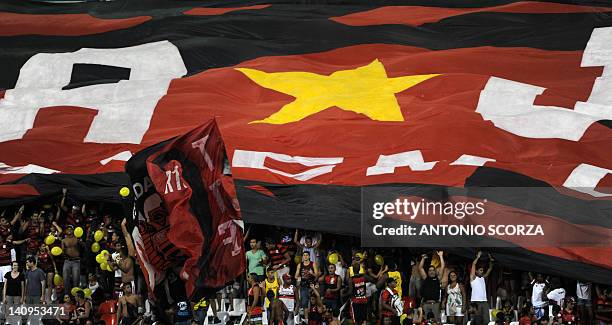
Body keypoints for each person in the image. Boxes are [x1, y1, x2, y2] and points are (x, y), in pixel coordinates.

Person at [419, 251, 446, 323]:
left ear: (435, 271)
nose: (431, 271)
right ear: (428, 272)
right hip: (426, 304)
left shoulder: (438, 278)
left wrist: (440, 256)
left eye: (433, 270)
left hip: (435, 304)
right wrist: (423, 259)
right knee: (426, 321)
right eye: (430, 270)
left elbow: (442, 267)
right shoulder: (425, 278)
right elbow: (420, 268)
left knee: (437, 321)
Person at [295, 250, 319, 323]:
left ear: (309, 256)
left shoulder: (313, 264)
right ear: (302, 256)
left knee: (315, 302)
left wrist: (312, 273)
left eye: (306, 255)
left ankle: (315, 319)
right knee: (305, 303)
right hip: (303, 285)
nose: (305, 256)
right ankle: (306, 320)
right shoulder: (300, 265)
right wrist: (298, 277)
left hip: (312, 285)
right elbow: (296, 276)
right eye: (304, 255)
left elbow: (317, 276)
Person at [470, 251, 494, 324]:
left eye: (482, 270)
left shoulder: (483, 278)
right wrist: (478, 257)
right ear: (476, 271)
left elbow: (490, 269)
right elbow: (473, 264)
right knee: (477, 321)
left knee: (486, 321)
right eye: (480, 270)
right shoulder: (473, 278)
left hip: (484, 302)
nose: (482, 271)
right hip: (476, 302)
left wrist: (490, 259)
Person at [61, 225, 81, 294]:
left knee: (76, 280)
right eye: (67, 229)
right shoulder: (63, 240)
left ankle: (76, 297)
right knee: (66, 280)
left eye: (71, 229)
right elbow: (62, 251)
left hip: (76, 261)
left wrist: (80, 243)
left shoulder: (77, 239)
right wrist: (64, 254)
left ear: (73, 230)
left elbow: (82, 248)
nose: (69, 230)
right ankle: (67, 296)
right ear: (65, 231)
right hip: (67, 261)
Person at [349, 259, 368, 325]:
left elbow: (350, 291)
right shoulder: (364, 277)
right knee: (364, 319)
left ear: (353, 270)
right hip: (364, 300)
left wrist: (344, 294)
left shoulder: (352, 280)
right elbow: (372, 280)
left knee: (356, 320)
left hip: (356, 301)